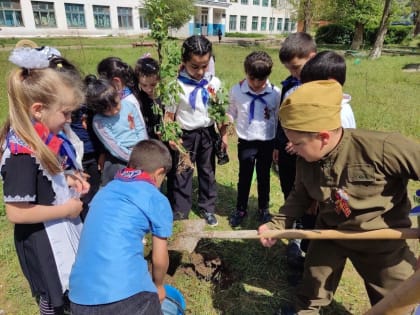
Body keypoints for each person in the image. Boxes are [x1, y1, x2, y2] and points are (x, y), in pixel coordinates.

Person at [259, 80, 420, 315]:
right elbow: (300, 195)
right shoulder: (306, 159)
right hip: (330, 232)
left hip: (380, 239)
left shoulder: (382, 148)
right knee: (313, 282)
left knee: (399, 301)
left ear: (323, 136)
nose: (291, 148)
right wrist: (277, 224)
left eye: (296, 143)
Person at [1, 46, 89, 314]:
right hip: (44, 244)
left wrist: (70, 180)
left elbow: (48, 178)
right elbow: (16, 211)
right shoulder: (21, 155)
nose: (69, 120)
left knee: (70, 289)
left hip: (58, 230)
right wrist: (66, 209)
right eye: (65, 113)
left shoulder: (40, 136)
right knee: (53, 298)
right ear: (38, 110)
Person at [70, 139, 173, 315]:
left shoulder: (105, 190)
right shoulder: (156, 198)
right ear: (159, 173)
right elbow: (159, 258)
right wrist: (159, 285)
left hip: (79, 297)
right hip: (127, 298)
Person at [286, 50, 358, 276]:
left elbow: (341, 160)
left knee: (323, 229)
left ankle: (310, 263)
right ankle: (308, 259)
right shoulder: (324, 110)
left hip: (333, 187)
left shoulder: (340, 115)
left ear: (331, 84)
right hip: (318, 177)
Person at [164, 35, 221, 226]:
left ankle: (207, 207)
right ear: (184, 62)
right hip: (185, 137)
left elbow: (218, 111)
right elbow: (168, 117)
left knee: (207, 171)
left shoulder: (214, 84)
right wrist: (171, 136)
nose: (200, 71)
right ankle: (181, 212)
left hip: (207, 133)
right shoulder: (175, 87)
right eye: (194, 66)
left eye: (204, 65)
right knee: (182, 173)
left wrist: (223, 133)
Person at [272, 32, 317, 274]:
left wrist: (300, 142)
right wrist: (280, 145)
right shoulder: (289, 84)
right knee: (290, 188)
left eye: (296, 67)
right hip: (288, 150)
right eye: (289, 68)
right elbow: (283, 117)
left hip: (308, 154)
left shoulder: (320, 89)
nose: (293, 73)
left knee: (309, 196)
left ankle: (304, 239)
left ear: (312, 58)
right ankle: (294, 224)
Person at [226, 51, 281, 227]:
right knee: (245, 176)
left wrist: (277, 144)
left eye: (261, 80)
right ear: (246, 73)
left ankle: (263, 209)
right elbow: (231, 111)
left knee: (264, 176)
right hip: (247, 140)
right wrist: (228, 120)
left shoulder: (276, 93)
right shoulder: (237, 90)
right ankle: (241, 209)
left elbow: (280, 117)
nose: (257, 84)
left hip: (267, 140)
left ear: (268, 76)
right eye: (252, 79)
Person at [85, 75, 148, 186]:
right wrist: (132, 158)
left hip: (140, 151)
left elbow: (140, 128)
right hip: (120, 158)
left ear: (118, 94)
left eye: (116, 104)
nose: (114, 111)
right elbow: (113, 146)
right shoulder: (99, 122)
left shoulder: (129, 106)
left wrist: (142, 150)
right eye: (107, 110)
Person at [134, 55, 162, 139]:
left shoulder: (165, 97)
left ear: (159, 80)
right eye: (144, 85)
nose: (149, 89)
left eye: (153, 84)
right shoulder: (139, 99)